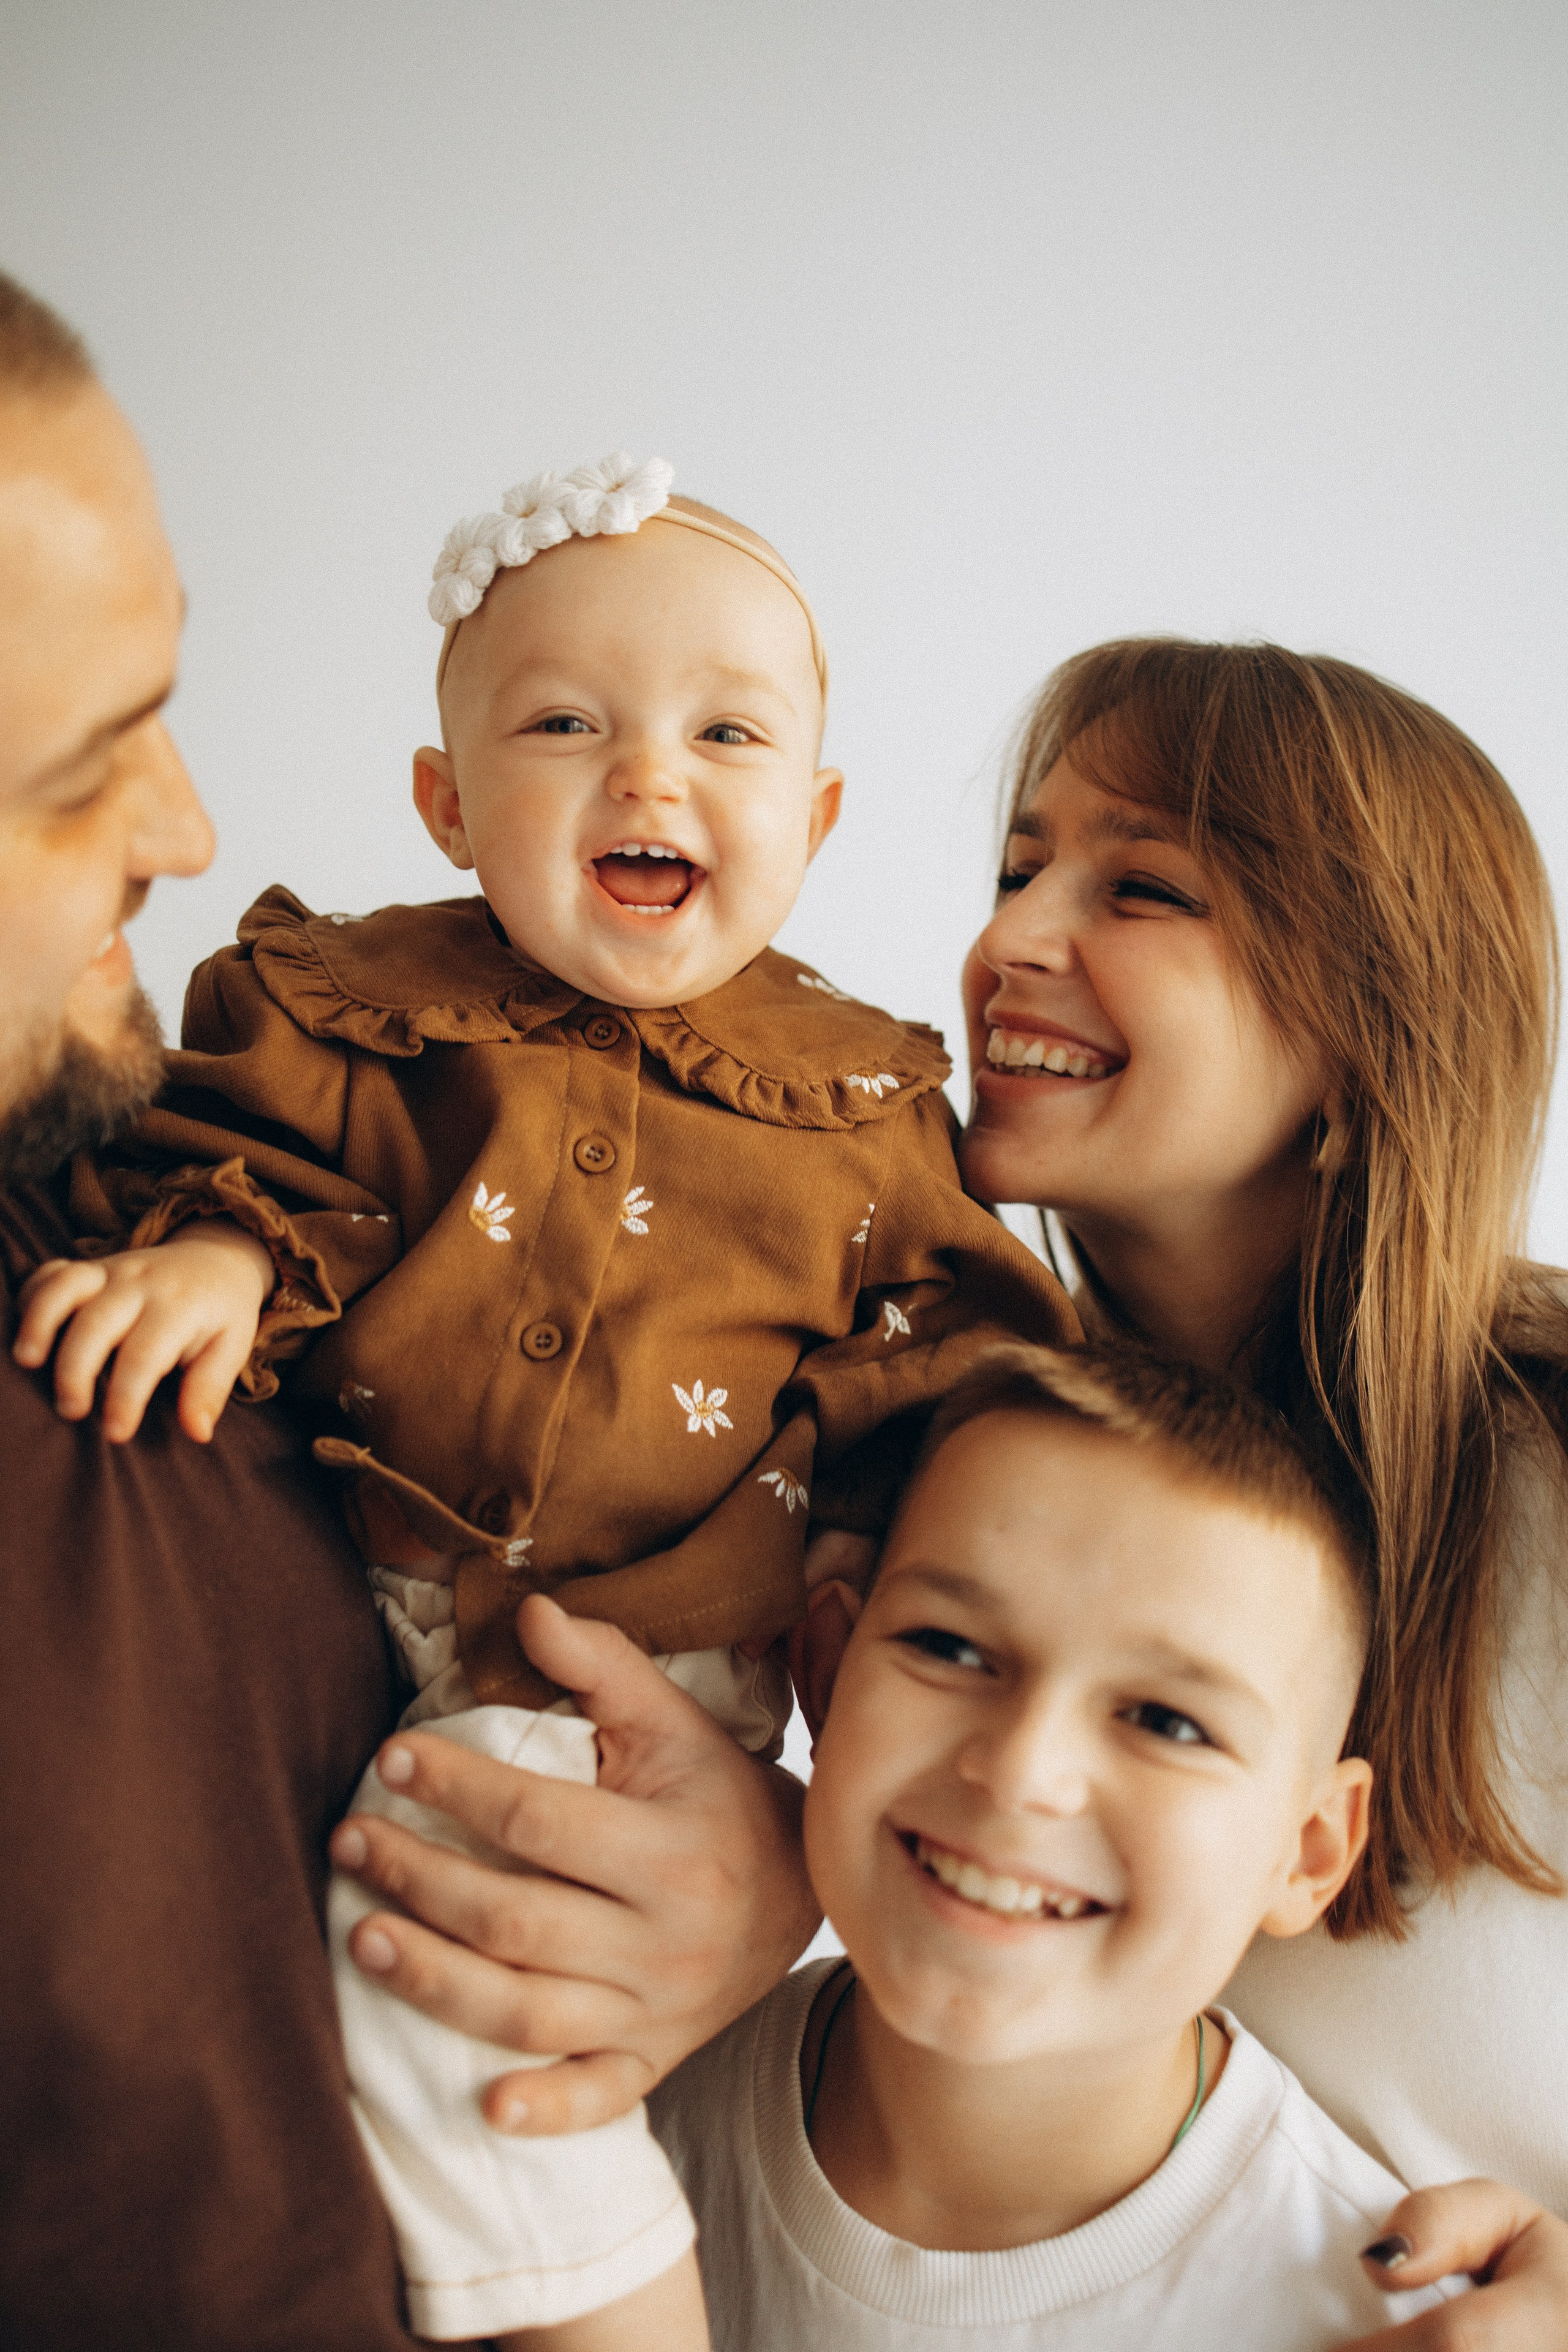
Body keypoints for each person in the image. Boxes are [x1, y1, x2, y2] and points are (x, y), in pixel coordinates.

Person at [16, 450, 1073, 2345]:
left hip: (636, 1657)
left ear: (816, 817)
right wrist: (223, 1258)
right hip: (380, 1607)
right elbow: (250, 1165)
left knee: (442, 1949)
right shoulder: (351, 1014)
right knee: (403, 1996)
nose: (651, 775)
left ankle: (620, 2320)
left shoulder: (862, 1109)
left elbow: (940, 1383)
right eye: (568, 723)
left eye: (727, 735)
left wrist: (846, 1629)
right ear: (447, 802)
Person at [0, 275, 819, 2348]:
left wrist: (775, 1869)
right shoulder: (307, 1057)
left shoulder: (106, 1159)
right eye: (81, 767)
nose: (189, 834)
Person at [948, 635, 1568, 2334]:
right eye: (1017, 869)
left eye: (1140, 887)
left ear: (1377, 1031)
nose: (1009, 941)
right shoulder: (936, 1455)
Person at [655, 1338, 1482, 2346]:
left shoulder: (1387, 2321)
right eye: (949, 1648)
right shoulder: (616, 2093)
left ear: (1307, 1852)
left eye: (1168, 1722)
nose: (1021, 1772)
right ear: (825, 1677)